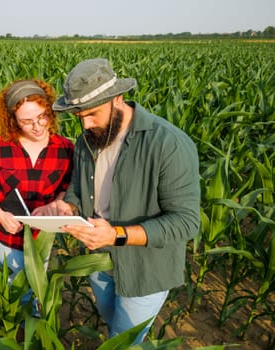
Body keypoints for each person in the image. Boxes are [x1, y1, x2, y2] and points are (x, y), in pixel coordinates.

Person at [47, 58, 200, 343]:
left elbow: (186, 222)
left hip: (144, 268)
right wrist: (67, 205)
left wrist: (116, 235)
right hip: (99, 260)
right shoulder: (86, 141)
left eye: (91, 113)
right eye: (78, 115)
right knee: (112, 322)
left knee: (123, 340)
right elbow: (79, 189)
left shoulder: (167, 144)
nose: (85, 123)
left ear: (118, 98)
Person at [0, 79, 74, 308]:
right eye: (27, 122)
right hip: (8, 230)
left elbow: (67, 186)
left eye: (43, 116)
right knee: (13, 284)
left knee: (37, 282)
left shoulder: (65, 148)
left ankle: (34, 320)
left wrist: (56, 204)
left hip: (42, 233)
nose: (37, 126)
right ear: (13, 121)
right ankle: (17, 325)